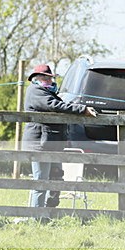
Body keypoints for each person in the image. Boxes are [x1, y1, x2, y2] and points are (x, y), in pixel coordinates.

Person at [23, 63, 96, 210]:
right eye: (46, 78)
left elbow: (58, 105)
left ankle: (49, 212)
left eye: (50, 78)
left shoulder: (45, 91)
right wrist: (82, 110)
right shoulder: (36, 91)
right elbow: (55, 106)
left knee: (56, 177)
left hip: (50, 143)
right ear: (37, 78)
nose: (50, 81)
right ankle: (36, 216)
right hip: (40, 144)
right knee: (41, 182)